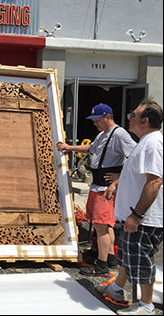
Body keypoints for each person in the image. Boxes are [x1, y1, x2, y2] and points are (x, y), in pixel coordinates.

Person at [57, 103, 136, 277]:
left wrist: (119, 178)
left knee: (102, 226)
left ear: (108, 117)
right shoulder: (102, 135)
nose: (94, 123)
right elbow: (90, 148)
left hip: (106, 188)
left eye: (97, 120)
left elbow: (135, 157)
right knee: (105, 225)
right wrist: (69, 148)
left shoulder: (120, 134)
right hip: (97, 184)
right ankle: (110, 257)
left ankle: (101, 266)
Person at [99, 99, 163, 315]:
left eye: (133, 115)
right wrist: (117, 182)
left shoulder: (153, 144)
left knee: (141, 261)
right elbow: (136, 174)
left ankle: (146, 306)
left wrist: (136, 216)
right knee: (128, 256)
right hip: (135, 215)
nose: (129, 118)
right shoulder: (144, 141)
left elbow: (154, 181)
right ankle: (117, 288)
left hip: (144, 218)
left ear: (144, 121)